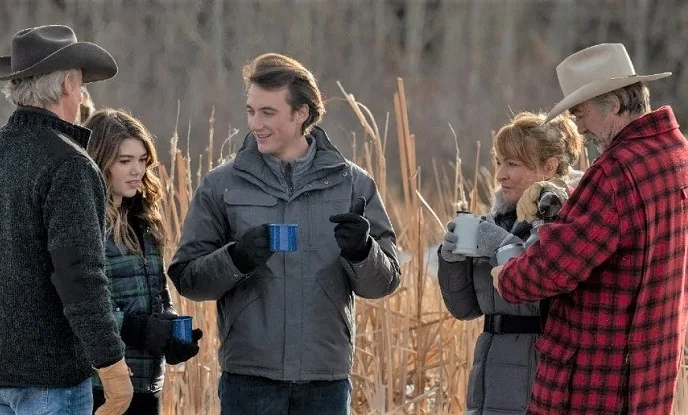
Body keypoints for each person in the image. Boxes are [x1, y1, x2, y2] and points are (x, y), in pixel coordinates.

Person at [167, 53, 400, 414]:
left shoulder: (354, 185)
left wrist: (362, 251)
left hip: (326, 381)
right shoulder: (221, 185)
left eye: (268, 112)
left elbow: (384, 284)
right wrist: (236, 258)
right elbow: (187, 280)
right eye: (251, 111)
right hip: (249, 380)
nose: (255, 123)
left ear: (301, 113)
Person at [493, 43, 688, 414]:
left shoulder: (616, 172)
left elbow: (554, 267)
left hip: (596, 380)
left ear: (613, 105)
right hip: (651, 372)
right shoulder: (677, 155)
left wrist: (506, 276)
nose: (578, 126)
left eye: (580, 112)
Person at [0, 25, 132, 414]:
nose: (83, 94)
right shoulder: (70, 166)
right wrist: (113, 368)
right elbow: (81, 278)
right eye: (81, 83)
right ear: (68, 84)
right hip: (51, 378)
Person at [437, 111, 582, 414]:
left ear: (549, 167)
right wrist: (451, 259)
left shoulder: (562, 221)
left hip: (537, 375)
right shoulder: (498, 220)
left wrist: (500, 245)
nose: (500, 174)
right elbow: (464, 309)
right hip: (488, 377)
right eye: (499, 162)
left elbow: (541, 286)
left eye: (512, 164)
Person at [85, 108, 203, 415]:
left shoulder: (145, 220)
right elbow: (78, 306)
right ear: (100, 162)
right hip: (104, 387)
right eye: (125, 161)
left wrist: (172, 333)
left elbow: (159, 298)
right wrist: (138, 327)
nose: (137, 170)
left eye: (142, 160)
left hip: (149, 383)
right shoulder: (85, 222)